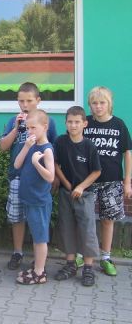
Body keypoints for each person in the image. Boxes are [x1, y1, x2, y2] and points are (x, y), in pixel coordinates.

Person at [0, 82, 57, 270]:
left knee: (37, 217)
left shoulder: (47, 121)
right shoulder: (13, 121)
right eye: (21, 101)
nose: (25, 105)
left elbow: (53, 149)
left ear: (38, 100)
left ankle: (38, 257)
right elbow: (3, 147)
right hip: (17, 175)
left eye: (29, 101)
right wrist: (16, 128)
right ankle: (17, 252)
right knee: (17, 217)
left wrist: (55, 175)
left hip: (39, 178)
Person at [82, 86, 132, 276]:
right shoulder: (85, 123)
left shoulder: (119, 125)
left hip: (112, 182)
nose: (98, 106)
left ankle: (105, 257)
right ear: (90, 105)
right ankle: (82, 254)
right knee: (85, 219)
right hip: (88, 181)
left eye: (102, 103)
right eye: (94, 103)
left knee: (107, 220)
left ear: (109, 104)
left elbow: (127, 153)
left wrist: (127, 181)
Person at [54, 106, 101, 286]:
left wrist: (81, 187)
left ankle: (88, 267)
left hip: (85, 194)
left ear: (84, 124)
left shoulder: (89, 146)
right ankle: (70, 264)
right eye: (70, 122)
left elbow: (96, 172)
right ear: (65, 123)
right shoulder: (61, 142)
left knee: (87, 229)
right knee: (67, 227)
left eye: (77, 122)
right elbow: (56, 165)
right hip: (66, 193)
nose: (73, 125)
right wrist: (66, 183)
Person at [14, 109, 55, 285]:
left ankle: (40, 273)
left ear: (44, 127)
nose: (30, 131)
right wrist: (26, 147)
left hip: (39, 201)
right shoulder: (31, 145)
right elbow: (17, 165)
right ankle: (37, 266)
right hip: (29, 199)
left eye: (33, 128)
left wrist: (36, 163)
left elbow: (50, 177)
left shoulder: (47, 150)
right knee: (36, 236)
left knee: (40, 238)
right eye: (28, 127)